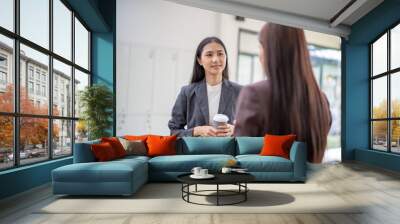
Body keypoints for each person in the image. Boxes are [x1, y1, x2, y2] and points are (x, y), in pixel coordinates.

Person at [234, 23, 331, 163]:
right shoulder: (321, 100)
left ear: (271, 51)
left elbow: (239, 157)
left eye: (261, 47)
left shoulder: (254, 95)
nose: (260, 55)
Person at [168, 37, 242, 137]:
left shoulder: (240, 91)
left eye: (220, 54)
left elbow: (253, 129)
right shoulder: (187, 92)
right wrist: (196, 131)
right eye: (209, 55)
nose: (215, 59)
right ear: (199, 60)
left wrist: (235, 130)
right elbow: (174, 132)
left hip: (228, 152)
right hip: (197, 151)